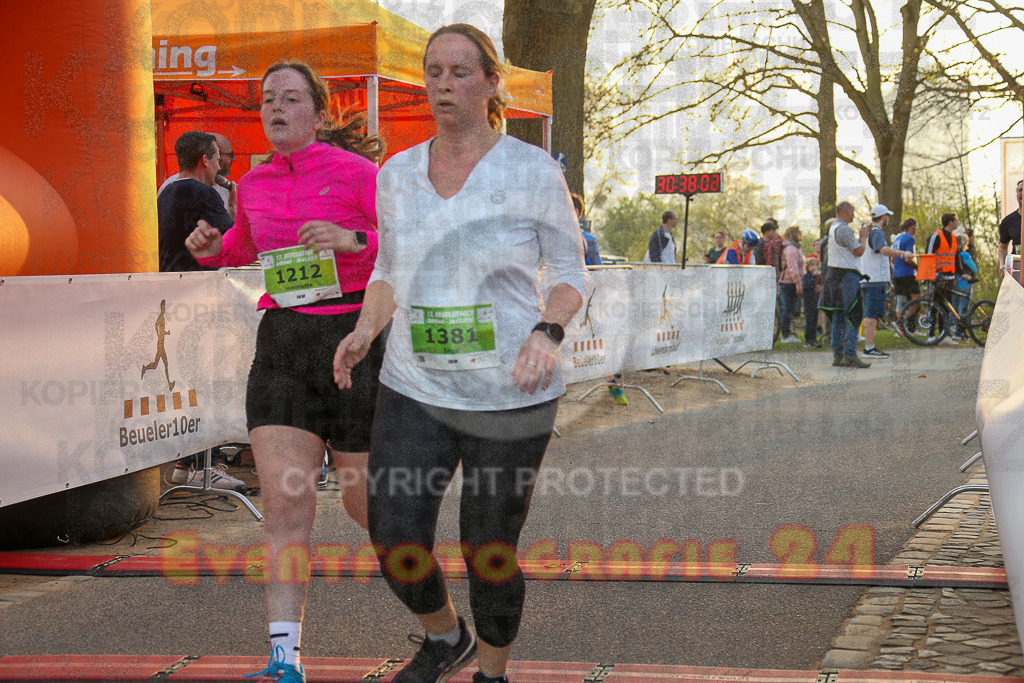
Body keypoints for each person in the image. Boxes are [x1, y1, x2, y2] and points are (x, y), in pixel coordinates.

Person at [332, 24, 586, 683]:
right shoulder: (396, 175)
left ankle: (492, 674)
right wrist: (365, 328)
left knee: (489, 547)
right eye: (434, 71)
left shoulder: (531, 171)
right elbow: (389, 267)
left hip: (509, 388)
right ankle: (447, 635)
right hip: (414, 382)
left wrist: (546, 332)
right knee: (393, 533)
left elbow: (569, 273)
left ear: (492, 83)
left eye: (460, 72)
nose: (444, 84)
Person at [185, 60, 385, 683]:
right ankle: (283, 659)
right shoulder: (253, 181)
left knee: (363, 505)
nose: (276, 109)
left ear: (320, 114)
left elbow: (407, 243)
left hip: (352, 339)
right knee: (284, 504)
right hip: (284, 344)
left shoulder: (360, 174)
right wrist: (213, 249)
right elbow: (246, 247)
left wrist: (352, 241)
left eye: (291, 99)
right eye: (268, 99)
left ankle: (437, 609)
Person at [572, 193, 627, 405]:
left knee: (601, 338)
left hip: (588, 300)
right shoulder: (552, 236)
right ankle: (558, 388)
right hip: (560, 300)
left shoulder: (589, 240)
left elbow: (599, 270)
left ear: (576, 212)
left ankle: (612, 384)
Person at [819, 201, 871, 368]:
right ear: (846, 211)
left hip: (833, 275)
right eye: (853, 211)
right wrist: (863, 238)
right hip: (846, 276)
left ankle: (838, 355)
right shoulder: (843, 229)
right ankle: (850, 353)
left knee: (838, 316)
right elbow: (859, 251)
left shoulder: (833, 228)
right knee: (854, 315)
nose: (854, 215)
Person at [859, 204, 913, 358]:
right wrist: (903, 254)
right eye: (887, 216)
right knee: (871, 313)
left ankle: (870, 347)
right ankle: (869, 348)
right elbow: (882, 250)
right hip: (874, 280)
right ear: (884, 217)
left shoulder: (870, 233)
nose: (888, 218)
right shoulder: (877, 233)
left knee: (872, 313)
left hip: (870, 279)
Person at [159, 132, 238, 219]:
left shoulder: (168, 188)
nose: (233, 159)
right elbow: (227, 230)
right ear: (206, 159)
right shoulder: (206, 192)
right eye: (230, 155)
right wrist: (233, 209)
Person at [926, 212, 961, 345]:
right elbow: (928, 255)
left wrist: (962, 273)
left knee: (946, 307)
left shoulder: (953, 238)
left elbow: (956, 258)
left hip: (949, 278)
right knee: (934, 306)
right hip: (937, 277)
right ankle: (930, 334)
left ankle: (944, 335)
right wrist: (931, 276)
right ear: (950, 222)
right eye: (956, 220)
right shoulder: (936, 236)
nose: (957, 223)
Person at [777, 225, 805, 344]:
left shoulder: (796, 247)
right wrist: (798, 284)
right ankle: (785, 335)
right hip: (788, 282)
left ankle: (788, 332)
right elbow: (792, 268)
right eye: (799, 232)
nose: (801, 235)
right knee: (787, 309)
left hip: (793, 281)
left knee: (790, 309)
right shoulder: (790, 249)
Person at [891, 217, 920, 321]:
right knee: (917, 300)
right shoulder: (910, 238)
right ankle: (902, 321)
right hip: (907, 274)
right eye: (916, 227)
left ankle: (899, 326)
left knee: (900, 301)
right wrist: (918, 268)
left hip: (896, 274)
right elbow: (908, 259)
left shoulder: (897, 239)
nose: (916, 229)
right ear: (912, 227)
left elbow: (892, 259)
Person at [952, 231, 978, 340]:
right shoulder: (965, 255)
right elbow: (974, 268)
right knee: (963, 310)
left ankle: (952, 330)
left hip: (954, 285)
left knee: (954, 309)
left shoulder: (953, 255)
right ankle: (958, 332)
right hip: (965, 285)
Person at [998, 178, 1022, 279]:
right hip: (1017, 271)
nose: (1022, 193)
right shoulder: (1008, 221)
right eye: (1020, 190)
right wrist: (1002, 265)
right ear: (1017, 194)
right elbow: (1002, 247)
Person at [802, 256, 822, 347]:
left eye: (815, 265)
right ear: (808, 267)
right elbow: (807, 285)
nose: (814, 268)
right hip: (809, 301)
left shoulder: (817, 276)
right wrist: (814, 277)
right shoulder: (806, 277)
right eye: (812, 265)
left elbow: (821, 285)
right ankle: (808, 340)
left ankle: (813, 339)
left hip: (816, 300)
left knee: (814, 321)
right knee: (809, 321)